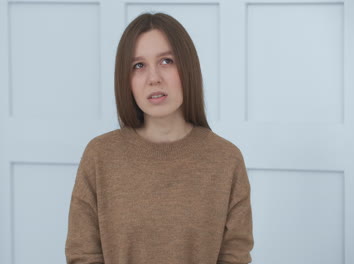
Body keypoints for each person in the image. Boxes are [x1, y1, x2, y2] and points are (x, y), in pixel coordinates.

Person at [65, 12, 254, 264]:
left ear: (187, 67)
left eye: (166, 61)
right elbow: (82, 255)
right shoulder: (100, 155)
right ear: (126, 80)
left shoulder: (226, 159)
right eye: (138, 66)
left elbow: (235, 257)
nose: (154, 78)